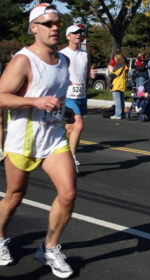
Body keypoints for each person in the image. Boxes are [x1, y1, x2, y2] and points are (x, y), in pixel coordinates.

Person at [0, 3, 76, 278]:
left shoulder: (64, 61)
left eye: (57, 23)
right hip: (24, 139)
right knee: (14, 196)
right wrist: (35, 101)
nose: (55, 28)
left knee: (68, 194)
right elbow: (2, 96)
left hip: (54, 138)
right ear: (34, 28)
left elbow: (54, 95)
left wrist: (63, 109)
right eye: (48, 24)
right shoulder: (23, 60)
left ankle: (49, 248)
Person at [60, 24, 94, 175]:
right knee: (79, 125)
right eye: (74, 33)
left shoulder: (84, 54)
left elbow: (86, 72)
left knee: (70, 129)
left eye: (80, 33)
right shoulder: (62, 54)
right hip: (67, 95)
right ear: (68, 36)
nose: (78, 35)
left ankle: (63, 154)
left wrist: (91, 74)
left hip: (81, 95)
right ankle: (72, 160)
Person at [108, 53, 128, 119]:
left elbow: (113, 75)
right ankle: (122, 114)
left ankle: (118, 114)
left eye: (115, 57)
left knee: (117, 100)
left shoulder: (119, 66)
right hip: (121, 84)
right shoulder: (123, 65)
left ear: (118, 58)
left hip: (117, 84)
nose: (114, 59)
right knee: (121, 100)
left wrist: (110, 70)